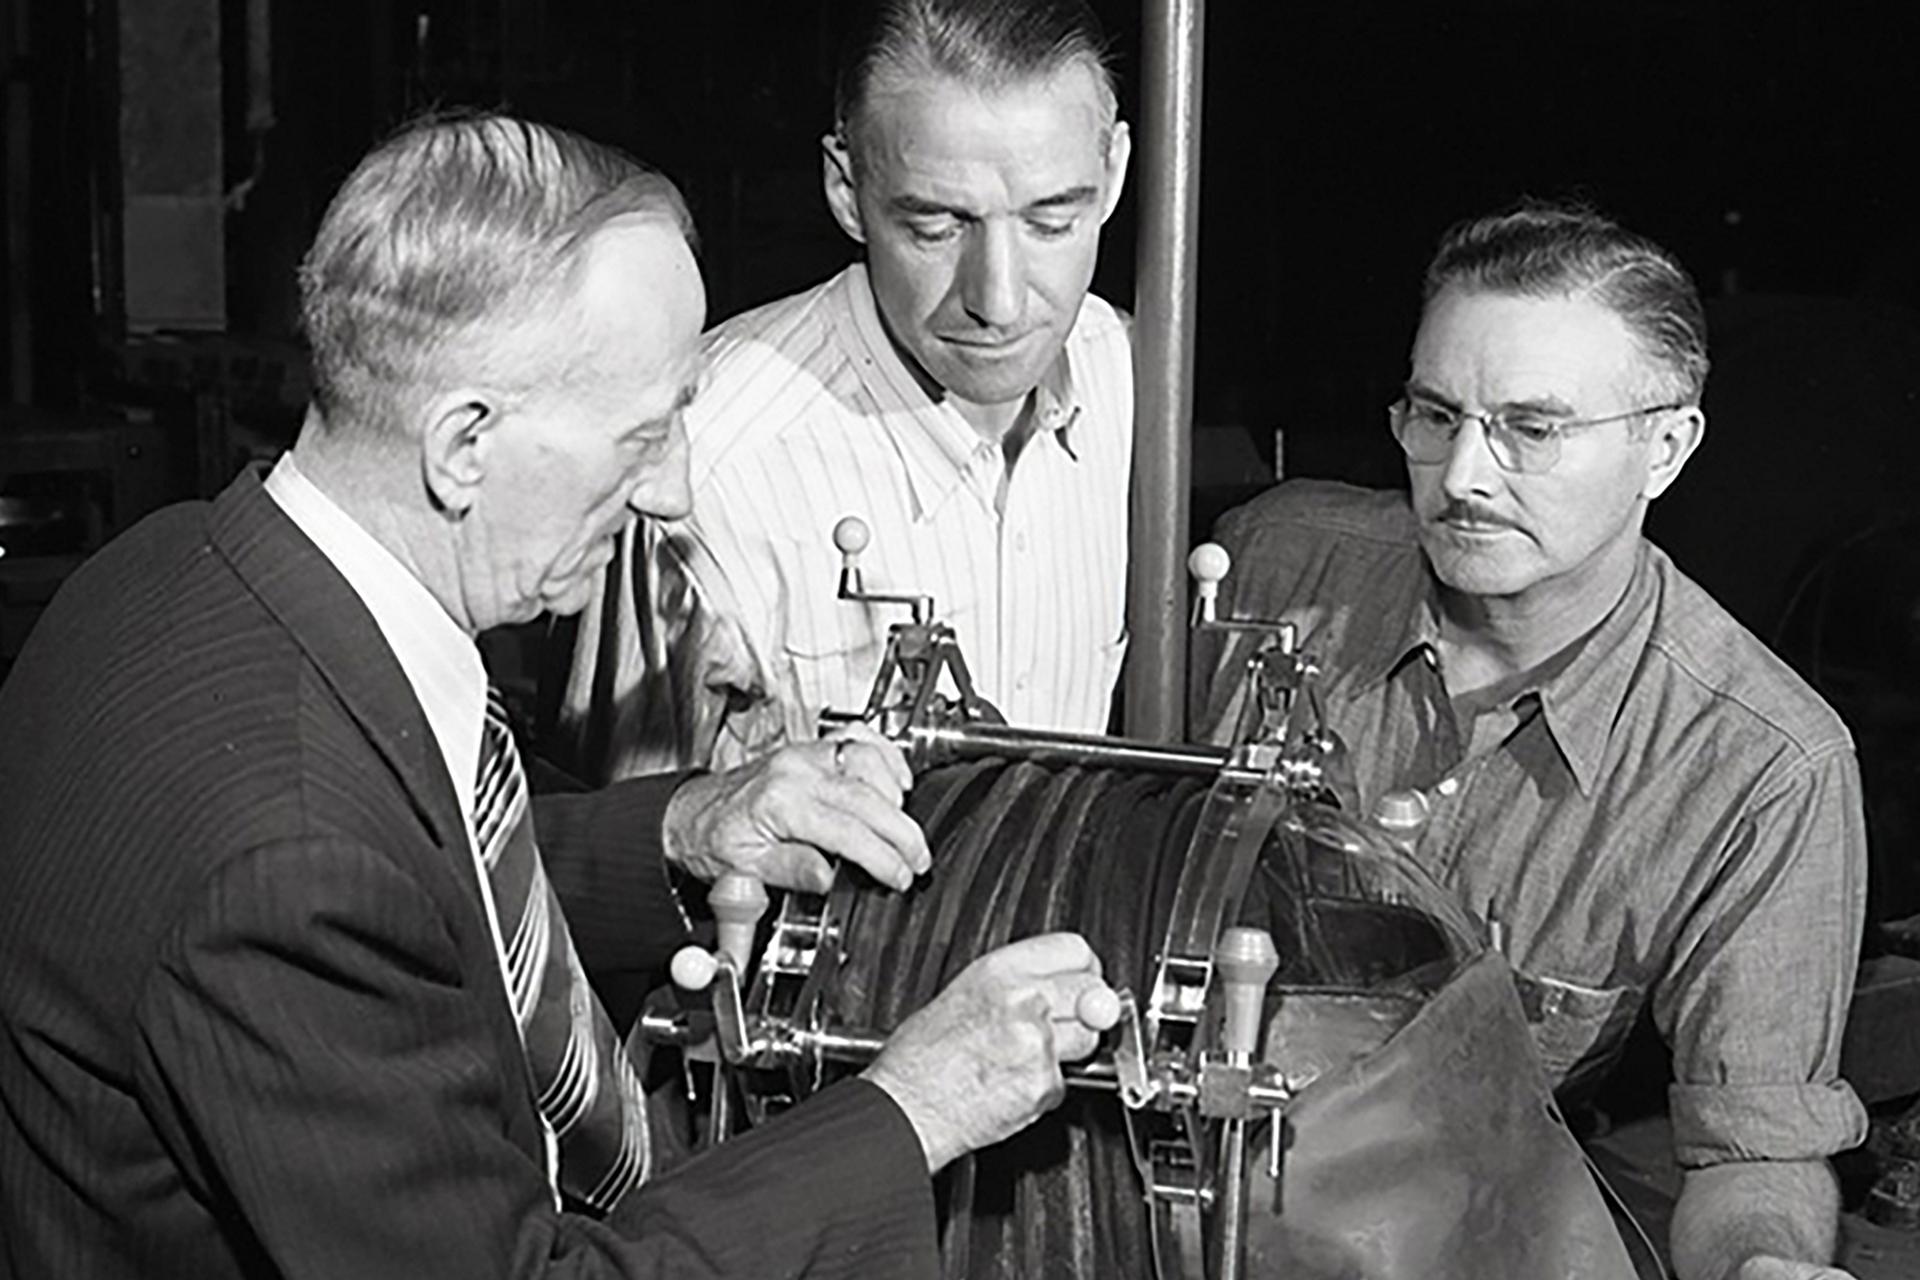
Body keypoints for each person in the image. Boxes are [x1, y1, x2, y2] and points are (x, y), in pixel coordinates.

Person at [0, 113, 1120, 1280]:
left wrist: (685, 829)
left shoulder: (184, 565)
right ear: (464, 444)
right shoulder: (287, 868)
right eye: (645, 433)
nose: (676, 489)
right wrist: (916, 1105)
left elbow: (420, 863)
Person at [1192, 203, 1867, 1280]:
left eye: (1531, 429)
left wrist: (1761, 1262)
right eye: (1435, 413)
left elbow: (1755, 1148)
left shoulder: (1764, 767)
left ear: (1667, 446)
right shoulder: (1270, 566)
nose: (1461, 475)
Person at [554, 0, 1135, 782]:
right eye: (936, 226)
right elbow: (612, 854)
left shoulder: (1132, 384)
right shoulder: (705, 467)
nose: (998, 300)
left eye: (1051, 221)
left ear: (1115, 176)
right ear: (845, 188)